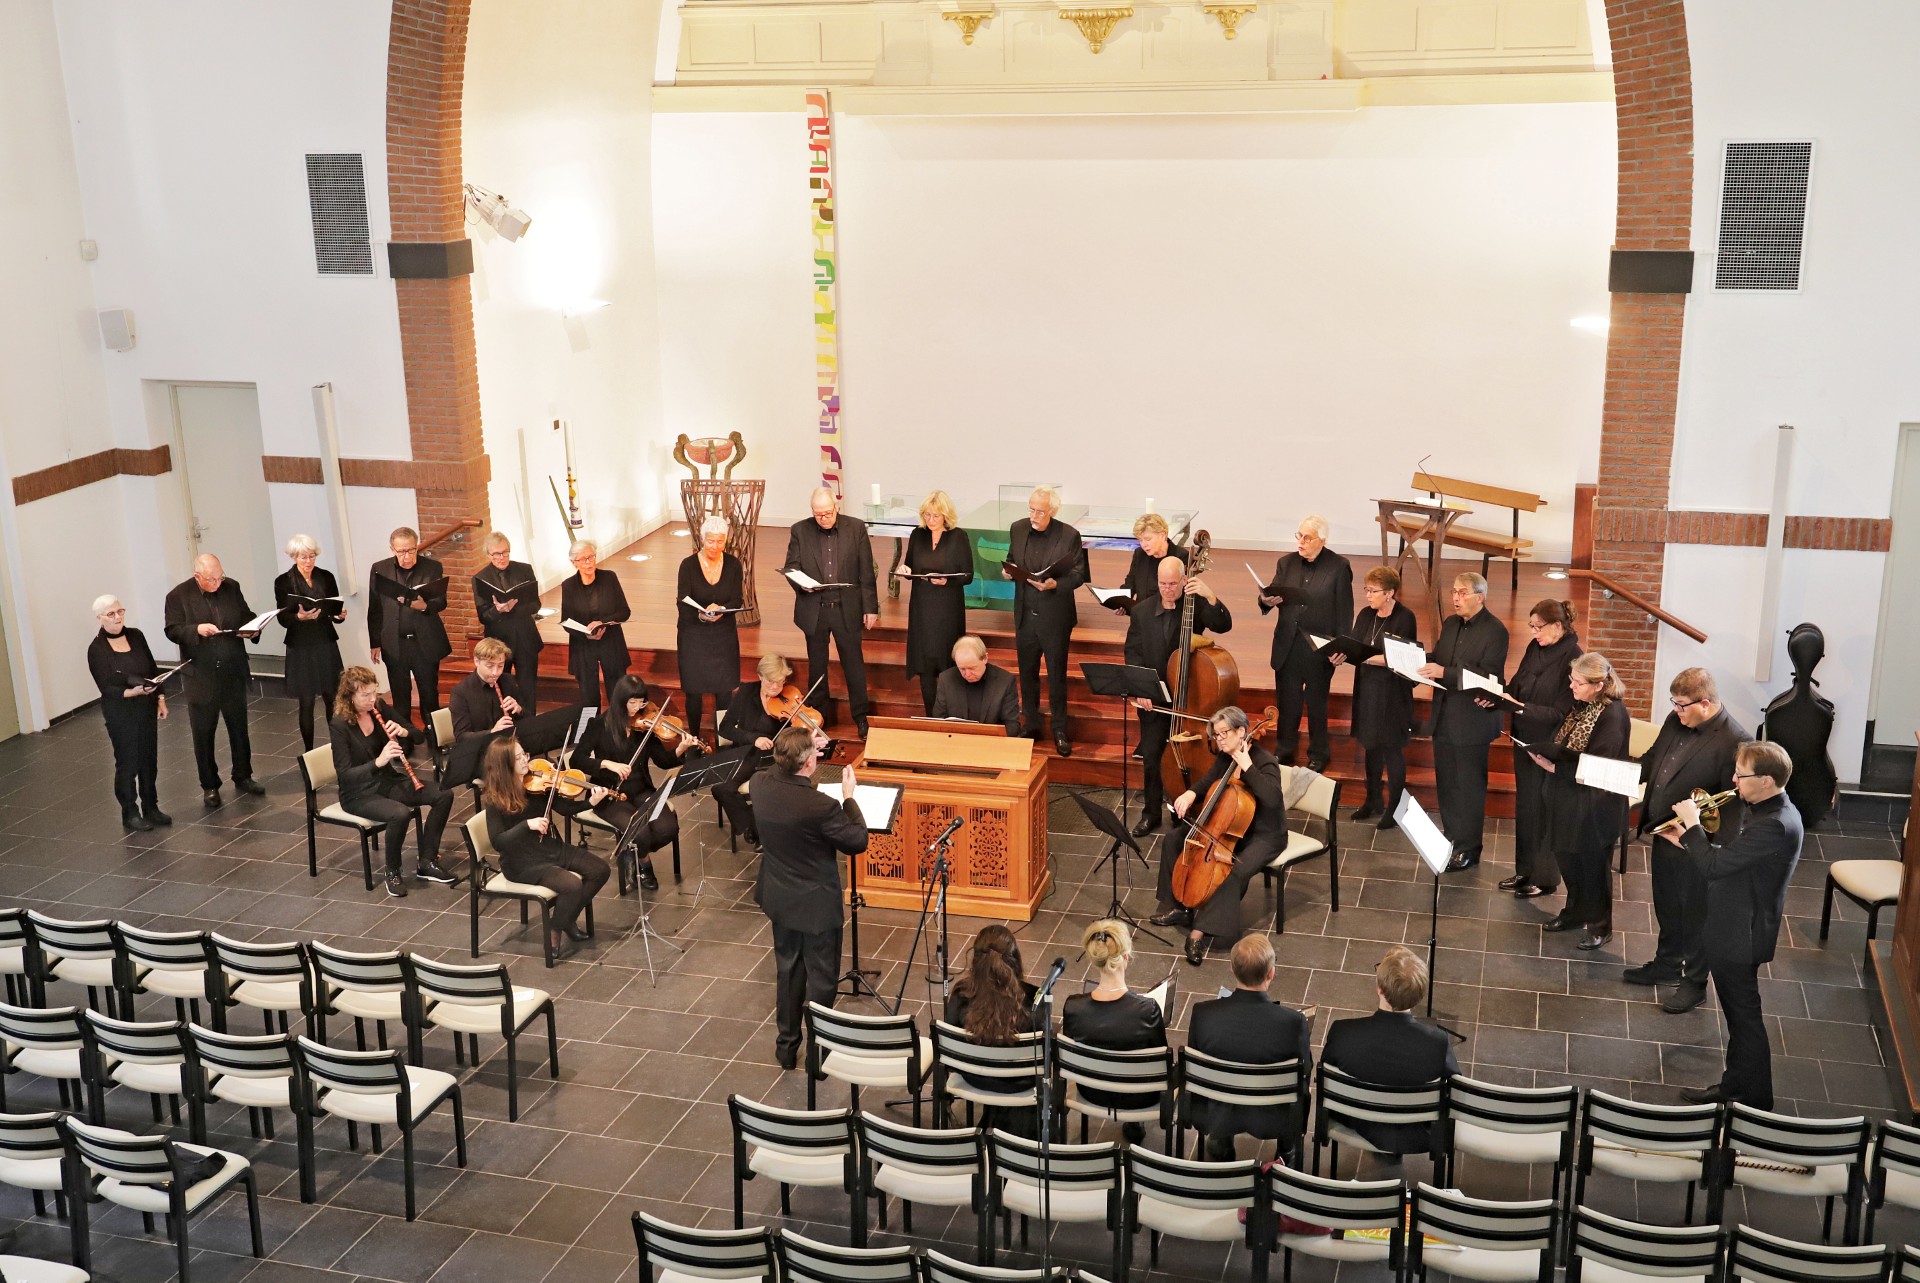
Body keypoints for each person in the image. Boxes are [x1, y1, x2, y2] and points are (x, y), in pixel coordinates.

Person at [1673, 741, 1801, 1109]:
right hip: (1736, 924)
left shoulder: (1774, 824)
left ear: (1765, 780)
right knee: (1740, 1018)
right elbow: (1733, 862)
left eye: (1741, 775)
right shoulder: (1768, 809)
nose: (1733, 780)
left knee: (1744, 1020)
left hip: (1739, 934)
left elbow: (1716, 868)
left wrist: (1693, 826)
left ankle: (1753, 1098)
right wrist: (1691, 843)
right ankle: (1737, 1088)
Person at [1625, 668, 1751, 1014]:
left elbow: (1734, 804)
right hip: (1663, 832)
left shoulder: (1734, 741)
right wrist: (1619, 775)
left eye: (1682, 705)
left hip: (1695, 843)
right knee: (1667, 903)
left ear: (1705, 703)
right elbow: (1654, 760)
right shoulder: (1676, 719)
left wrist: (1705, 845)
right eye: (1675, 704)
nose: (1676, 711)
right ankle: (1666, 964)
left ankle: (1694, 984)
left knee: (1696, 914)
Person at [1152, 706, 1317, 965]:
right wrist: (1190, 793)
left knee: (1233, 872)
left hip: (1265, 835)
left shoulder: (1264, 761)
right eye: (1216, 735)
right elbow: (1208, 781)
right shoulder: (1224, 757)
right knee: (1174, 839)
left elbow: (1274, 799)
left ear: (1242, 732)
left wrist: (1248, 766)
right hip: (1226, 826)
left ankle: (1199, 932)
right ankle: (1179, 906)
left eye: (1224, 733)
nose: (1219, 739)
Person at [752, 724, 869, 1069]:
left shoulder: (761, 784)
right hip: (816, 904)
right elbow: (856, 841)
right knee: (821, 978)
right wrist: (849, 797)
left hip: (780, 895)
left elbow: (773, 765)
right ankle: (819, 1054)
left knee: (788, 970)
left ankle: (786, 1048)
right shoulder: (821, 805)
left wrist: (800, 745)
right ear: (807, 764)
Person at [479, 735, 612, 960]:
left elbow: (565, 808)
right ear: (504, 765)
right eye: (518, 757)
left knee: (600, 870)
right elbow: (498, 842)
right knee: (572, 885)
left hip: (547, 847)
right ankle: (555, 928)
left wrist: (591, 802)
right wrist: (526, 825)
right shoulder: (495, 799)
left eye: (525, 755)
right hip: (521, 862)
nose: (526, 761)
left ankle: (565, 917)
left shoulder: (538, 784)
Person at [1531, 653, 1631, 951]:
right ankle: (1575, 912)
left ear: (1599, 685)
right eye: (1572, 679)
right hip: (1568, 796)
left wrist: (1555, 767)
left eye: (1577, 682)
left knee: (1593, 866)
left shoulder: (1612, 716)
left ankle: (1601, 925)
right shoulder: (1583, 705)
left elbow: (1599, 766)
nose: (1571, 686)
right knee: (1568, 858)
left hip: (1595, 804)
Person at [328, 666, 456, 898]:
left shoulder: (379, 707)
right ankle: (392, 872)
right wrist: (378, 761)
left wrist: (404, 732)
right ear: (350, 696)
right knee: (400, 813)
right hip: (357, 793)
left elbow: (418, 735)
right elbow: (345, 775)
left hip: (386, 781)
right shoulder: (339, 725)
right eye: (365, 695)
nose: (372, 699)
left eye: (374, 693)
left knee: (442, 794)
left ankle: (426, 861)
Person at [1126, 557, 1231, 836]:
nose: (1168, 589)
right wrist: (1141, 689)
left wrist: (1209, 595)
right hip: (1156, 700)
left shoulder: (1194, 607)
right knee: (1152, 757)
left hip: (1190, 698)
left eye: (1173, 583)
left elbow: (1223, 625)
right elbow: (1133, 653)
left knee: (1189, 757)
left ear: (1185, 580)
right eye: (1163, 584)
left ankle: (1188, 809)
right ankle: (1151, 813)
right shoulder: (1142, 611)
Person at [1185, 934, 1313, 1161]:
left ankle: (1220, 1140)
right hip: (1272, 1116)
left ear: (1233, 969)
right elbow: (1304, 1071)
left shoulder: (1203, 1013)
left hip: (1219, 1112)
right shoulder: (1293, 1022)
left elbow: (1195, 1064)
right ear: (1271, 973)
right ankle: (1287, 1148)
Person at [1320, 946, 1457, 1157]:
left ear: (1379, 988)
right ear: (1419, 996)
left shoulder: (1343, 1032)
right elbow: (1454, 1091)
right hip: (1413, 1126)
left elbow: (1328, 1074)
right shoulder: (1437, 1043)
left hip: (1360, 1120)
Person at [1417, 572, 1510, 870]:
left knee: (1469, 787)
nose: (1455, 598)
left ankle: (1469, 848)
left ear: (1480, 597)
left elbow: (1489, 678)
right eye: (1454, 592)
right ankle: (1452, 838)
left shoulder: (1496, 631)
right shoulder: (1451, 623)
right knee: (1447, 784)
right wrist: (1414, 660)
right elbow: (1442, 658)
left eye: (1462, 593)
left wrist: (1443, 672)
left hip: (1471, 721)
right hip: (1445, 716)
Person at [577, 674, 699, 893]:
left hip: (641, 789)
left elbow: (663, 761)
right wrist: (607, 764)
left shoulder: (645, 727)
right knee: (640, 833)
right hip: (610, 795)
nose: (637, 708)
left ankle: (631, 851)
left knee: (667, 828)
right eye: (632, 702)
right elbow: (578, 759)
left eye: (641, 702)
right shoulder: (599, 725)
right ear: (619, 700)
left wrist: (680, 749)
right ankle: (644, 864)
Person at [163, 553, 264, 808]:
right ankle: (210, 785)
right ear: (198, 576)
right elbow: (172, 630)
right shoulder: (178, 596)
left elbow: (244, 614)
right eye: (212, 579)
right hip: (202, 675)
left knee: (239, 728)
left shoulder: (231, 586)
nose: (218, 583)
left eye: (220, 576)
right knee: (204, 733)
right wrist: (195, 630)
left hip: (232, 670)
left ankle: (243, 775)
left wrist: (254, 626)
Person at [1498, 600, 1581, 899]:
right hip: (1524, 739)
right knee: (1526, 807)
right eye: (1531, 626)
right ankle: (1525, 870)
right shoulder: (1536, 647)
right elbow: (1519, 681)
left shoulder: (1573, 657)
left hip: (1550, 744)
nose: (1534, 633)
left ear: (1558, 626)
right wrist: (1501, 694)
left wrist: (1521, 709)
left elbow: (1561, 712)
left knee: (1545, 810)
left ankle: (1545, 878)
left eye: (1538, 627)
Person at [1257, 516, 1353, 771]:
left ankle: (1319, 754)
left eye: (1307, 537)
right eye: (1299, 535)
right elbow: (1272, 593)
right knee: (1287, 702)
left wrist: (1341, 646)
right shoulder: (1286, 563)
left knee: (1317, 703)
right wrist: (1266, 601)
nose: (1301, 541)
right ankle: (1285, 751)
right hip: (1288, 644)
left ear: (1322, 540)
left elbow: (1344, 612)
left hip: (1318, 648)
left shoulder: (1338, 567)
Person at [782, 487, 880, 736]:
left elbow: (866, 572)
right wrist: (804, 586)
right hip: (815, 609)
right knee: (817, 667)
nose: (823, 518)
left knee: (853, 664)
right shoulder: (800, 530)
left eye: (827, 513)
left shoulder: (855, 528)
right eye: (818, 515)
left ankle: (861, 717)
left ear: (836, 507)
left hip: (846, 608)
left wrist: (870, 608)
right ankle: (818, 718)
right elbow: (791, 568)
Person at [1060, 919, 1168, 1143]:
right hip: (1139, 1095)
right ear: (1126, 957)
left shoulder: (1073, 1007)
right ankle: (1134, 1123)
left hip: (1091, 1090)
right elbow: (1160, 1058)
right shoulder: (1147, 1010)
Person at [1330, 566, 1417, 829]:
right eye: (1366, 590)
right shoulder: (1366, 615)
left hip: (1393, 693)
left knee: (1392, 750)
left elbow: (1403, 657)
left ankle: (1395, 807)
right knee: (1370, 746)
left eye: (1373, 591)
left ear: (1390, 593)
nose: (1368, 596)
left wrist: (1367, 656)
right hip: (1368, 689)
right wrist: (1341, 654)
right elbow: (1355, 644)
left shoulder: (1405, 617)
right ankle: (1373, 800)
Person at [1006, 486, 1087, 757]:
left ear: (1052, 511)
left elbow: (1078, 574)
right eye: (1031, 509)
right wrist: (1008, 572)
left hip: (1054, 616)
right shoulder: (1017, 529)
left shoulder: (1069, 535)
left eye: (1039, 511)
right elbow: (1010, 559)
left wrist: (1055, 584)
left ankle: (1060, 729)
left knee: (1056, 676)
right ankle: (1031, 723)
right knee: (1027, 674)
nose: (1033, 515)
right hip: (1026, 614)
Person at [87, 595, 170, 831]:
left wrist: (160, 698)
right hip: (121, 712)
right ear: (99, 618)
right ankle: (130, 812)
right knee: (128, 762)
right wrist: (133, 692)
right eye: (111, 614)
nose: (117, 617)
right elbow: (107, 688)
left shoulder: (136, 635)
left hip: (145, 706)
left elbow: (153, 669)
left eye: (120, 611)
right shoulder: (97, 649)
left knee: (149, 759)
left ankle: (151, 807)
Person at [713, 654, 805, 848]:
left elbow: (796, 735)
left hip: (776, 758)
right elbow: (725, 727)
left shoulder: (789, 698)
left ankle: (766, 834)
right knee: (721, 788)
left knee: (765, 790)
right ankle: (753, 828)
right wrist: (753, 739)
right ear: (760, 676)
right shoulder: (746, 692)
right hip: (747, 755)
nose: (775, 688)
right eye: (771, 682)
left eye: (780, 683)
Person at [367, 527, 450, 732]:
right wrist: (375, 642)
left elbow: (440, 602)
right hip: (395, 644)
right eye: (401, 551)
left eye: (411, 550)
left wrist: (424, 606)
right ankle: (405, 739)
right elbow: (375, 607)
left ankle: (435, 738)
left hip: (425, 642)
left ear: (417, 546)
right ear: (392, 549)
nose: (406, 556)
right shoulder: (380, 569)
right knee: (400, 696)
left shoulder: (432, 567)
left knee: (429, 694)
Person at [899, 491, 975, 714]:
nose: (931, 520)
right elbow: (910, 566)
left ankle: (950, 714)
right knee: (925, 664)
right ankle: (930, 715)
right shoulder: (917, 535)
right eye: (927, 515)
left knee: (946, 661)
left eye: (936, 515)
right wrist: (905, 571)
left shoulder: (958, 537)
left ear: (945, 516)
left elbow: (968, 575)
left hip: (947, 609)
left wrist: (946, 581)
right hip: (922, 608)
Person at [676, 516, 746, 740]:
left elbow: (737, 600)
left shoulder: (733, 564)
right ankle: (694, 739)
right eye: (711, 541)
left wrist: (722, 608)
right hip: (693, 637)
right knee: (694, 692)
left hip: (723, 636)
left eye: (720, 541)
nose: (715, 547)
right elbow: (682, 601)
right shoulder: (688, 565)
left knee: (724, 691)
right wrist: (701, 614)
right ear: (701, 539)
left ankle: (723, 740)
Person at [274, 534, 346, 750]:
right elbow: (282, 618)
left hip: (324, 641)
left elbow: (333, 608)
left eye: (312, 556)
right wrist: (299, 617)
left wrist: (338, 615)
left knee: (332, 698)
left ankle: (339, 746)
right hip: (301, 646)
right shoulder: (283, 581)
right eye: (303, 557)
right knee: (306, 701)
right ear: (294, 556)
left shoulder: (326, 577)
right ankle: (309, 751)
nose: (308, 562)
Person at [472, 532, 543, 717]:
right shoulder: (480, 578)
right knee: (501, 688)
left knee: (528, 689)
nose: (501, 557)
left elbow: (536, 604)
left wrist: (514, 607)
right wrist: (498, 610)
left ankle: (531, 727)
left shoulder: (524, 570)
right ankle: (506, 727)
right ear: (488, 555)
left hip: (525, 639)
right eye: (496, 554)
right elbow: (483, 616)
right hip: (498, 642)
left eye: (505, 552)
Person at [560, 540, 631, 709]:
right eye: (583, 559)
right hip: (584, 646)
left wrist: (603, 623)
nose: (588, 562)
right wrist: (585, 633)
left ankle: (618, 732)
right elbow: (566, 622)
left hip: (610, 642)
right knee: (588, 700)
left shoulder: (609, 578)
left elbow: (624, 611)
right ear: (573, 563)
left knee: (617, 695)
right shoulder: (568, 586)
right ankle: (591, 731)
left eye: (591, 557)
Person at [930, 636, 1022, 734]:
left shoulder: (1005, 681)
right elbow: (938, 720)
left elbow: (1012, 725)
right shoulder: (946, 679)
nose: (967, 674)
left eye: (972, 668)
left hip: (991, 744)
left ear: (985, 658)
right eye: (962, 669)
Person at [1104, 513, 1187, 615]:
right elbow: (1130, 583)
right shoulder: (1140, 554)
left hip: (1169, 615)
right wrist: (1120, 602)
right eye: (1140, 540)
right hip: (1143, 616)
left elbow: (1183, 594)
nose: (1144, 544)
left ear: (1162, 535)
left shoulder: (1180, 556)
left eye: (1148, 539)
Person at [448, 638, 521, 737]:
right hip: (480, 749)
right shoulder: (460, 692)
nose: (495, 672)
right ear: (477, 661)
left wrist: (519, 709)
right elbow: (461, 736)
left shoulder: (509, 681)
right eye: (490, 666)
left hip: (507, 745)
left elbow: (527, 718)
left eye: (500, 666)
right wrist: (492, 732)